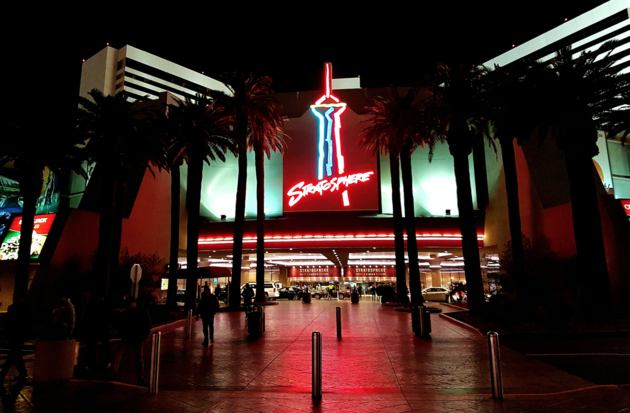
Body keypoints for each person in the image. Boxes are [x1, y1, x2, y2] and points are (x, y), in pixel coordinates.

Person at [111, 300, 152, 385]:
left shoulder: (140, 312)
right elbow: (119, 323)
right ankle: (114, 372)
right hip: (129, 337)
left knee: (137, 358)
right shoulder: (127, 312)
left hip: (136, 338)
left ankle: (140, 376)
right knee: (119, 354)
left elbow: (147, 325)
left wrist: (142, 336)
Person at [0, 296, 33, 382]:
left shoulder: (12, 308)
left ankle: (4, 373)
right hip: (21, 334)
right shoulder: (26, 308)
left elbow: (9, 322)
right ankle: (22, 372)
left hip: (13, 334)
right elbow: (29, 322)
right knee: (15, 353)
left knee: (14, 353)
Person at [82, 295, 112, 371]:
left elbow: (86, 317)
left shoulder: (92, 305)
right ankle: (101, 361)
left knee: (92, 346)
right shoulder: (105, 305)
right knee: (100, 346)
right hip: (100, 328)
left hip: (96, 328)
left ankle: (92, 362)